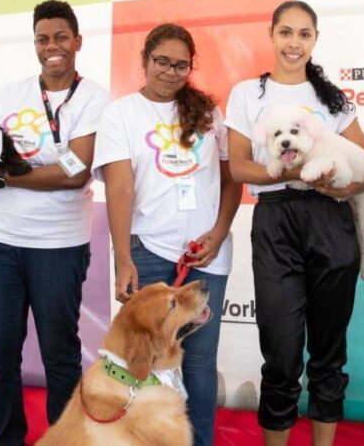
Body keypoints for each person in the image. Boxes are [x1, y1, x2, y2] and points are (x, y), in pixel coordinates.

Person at [225, 0, 364, 446]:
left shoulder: (332, 99)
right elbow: (237, 168)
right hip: (275, 222)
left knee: (329, 352)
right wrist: (291, 172)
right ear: (271, 35)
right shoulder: (246, 94)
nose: (294, 43)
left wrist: (342, 188)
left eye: (304, 34)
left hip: (330, 220)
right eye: (286, 33)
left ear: (315, 39)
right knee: (281, 352)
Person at [0, 0, 110, 446]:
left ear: (78, 41)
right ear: (35, 44)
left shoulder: (96, 99)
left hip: (58, 247)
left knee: (60, 356)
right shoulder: (5, 96)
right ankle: (8, 439)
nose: (52, 46)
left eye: (61, 37)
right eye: (43, 38)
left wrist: (0, 177)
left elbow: (74, 173)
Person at [93, 23, 242, 446]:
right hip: (149, 253)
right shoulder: (120, 114)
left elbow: (232, 181)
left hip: (206, 258)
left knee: (198, 366)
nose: (170, 72)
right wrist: (123, 257)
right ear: (145, 61)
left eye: (181, 65)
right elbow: (119, 189)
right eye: (162, 62)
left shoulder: (210, 113)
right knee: (146, 367)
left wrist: (218, 232)